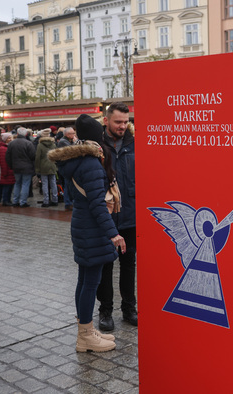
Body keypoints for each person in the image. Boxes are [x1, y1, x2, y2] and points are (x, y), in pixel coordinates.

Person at [48, 114, 125, 352]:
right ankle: (85, 337)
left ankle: (87, 329)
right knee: (90, 283)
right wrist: (114, 234)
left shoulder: (76, 158)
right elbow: (97, 204)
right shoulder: (91, 162)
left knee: (84, 281)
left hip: (83, 225)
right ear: (97, 136)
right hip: (92, 228)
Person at [97, 102, 138, 331]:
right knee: (105, 265)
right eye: (118, 122)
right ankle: (105, 311)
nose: (122, 126)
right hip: (107, 216)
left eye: (125, 122)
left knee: (128, 263)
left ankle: (129, 308)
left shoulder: (135, 144)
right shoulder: (97, 145)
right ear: (106, 121)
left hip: (131, 216)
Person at [5, 127, 35, 208]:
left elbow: (7, 157)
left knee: (17, 184)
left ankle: (15, 201)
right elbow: (33, 156)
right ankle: (23, 202)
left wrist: (11, 165)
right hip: (27, 167)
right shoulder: (28, 143)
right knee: (25, 184)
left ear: (17, 134)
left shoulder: (11, 143)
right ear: (26, 134)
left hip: (16, 167)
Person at [35, 129, 59, 207]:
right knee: (53, 183)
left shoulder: (40, 145)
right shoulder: (53, 144)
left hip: (43, 166)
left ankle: (46, 201)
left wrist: (37, 168)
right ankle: (55, 200)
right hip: (52, 165)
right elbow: (56, 155)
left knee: (44, 184)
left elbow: (38, 157)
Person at [58, 127, 77, 211]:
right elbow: (72, 151)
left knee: (69, 185)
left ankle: (70, 202)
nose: (74, 135)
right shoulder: (63, 142)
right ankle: (68, 203)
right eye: (72, 133)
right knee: (68, 185)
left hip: (67, 166)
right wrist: (75, 143)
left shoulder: (66, 141)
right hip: (65, 166)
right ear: (67, 134)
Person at [0, 133, 15, 206]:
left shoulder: (7, 147)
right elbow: (3, 162)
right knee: (7, 187)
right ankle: (5, 201)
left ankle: (8, 200)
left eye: (11, 138)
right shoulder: (3, 148)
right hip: (7, 171)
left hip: (10, 171)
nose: (10, 139)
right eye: (9, 138)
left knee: (9, 187)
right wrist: (5, 172)